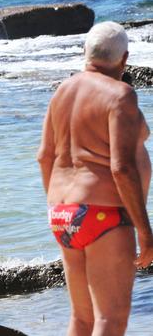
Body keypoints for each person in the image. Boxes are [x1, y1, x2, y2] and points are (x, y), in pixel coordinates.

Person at [38, 21, 153, 336]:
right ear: (124, 58)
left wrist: (60, 210)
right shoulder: (120, 94)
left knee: (82, 319)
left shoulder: (63, 90)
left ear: (85, 53)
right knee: (110, 321)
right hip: (105, 215)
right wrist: (145, 230)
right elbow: (121, 167)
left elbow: (44, 156)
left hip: (62, 214)